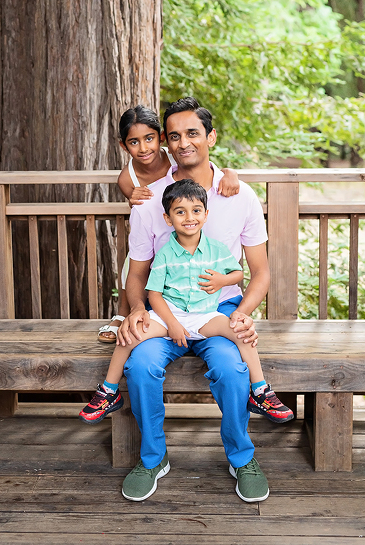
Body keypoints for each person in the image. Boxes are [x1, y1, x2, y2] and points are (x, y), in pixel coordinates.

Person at [116, 97, 271, 504]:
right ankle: (153, 457)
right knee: (142, 363)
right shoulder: (151, 202)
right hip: (165, 310)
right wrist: (135, 309)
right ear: (166, 144)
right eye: (174, 136)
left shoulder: (239, 196)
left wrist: (241, 314)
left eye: (193, 133)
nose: (183, 142)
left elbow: (261, 272)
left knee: (231, 367)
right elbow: (137, 273)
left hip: (219, 311)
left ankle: (242, 457)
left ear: (211, 137)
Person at [80, 179, 293, 429]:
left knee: (241, 332)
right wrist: (171, 324)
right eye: (180, 212)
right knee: (130, 336)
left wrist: (222, 280)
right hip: (170, 314)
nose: (189, 217)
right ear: (168, 218)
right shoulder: (165, 255)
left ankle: (260, 392)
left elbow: (239, 274)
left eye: (196, 210)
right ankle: (108, 391)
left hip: (205, 315)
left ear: (206, 214)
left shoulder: (216, 249)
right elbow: (154, 295)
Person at [97, 105, 240, 342]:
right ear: (124, 146)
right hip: (158, 243)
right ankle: (125, 314)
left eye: (149, 139)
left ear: (161, 138)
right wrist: (133, 198)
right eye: (134, 142)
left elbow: (202, 166)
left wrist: (229, 172)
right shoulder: (127, 178)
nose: (144, 148)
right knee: (135, 263)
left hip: (181, 238)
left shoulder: (174, 153)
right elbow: (140, 214)